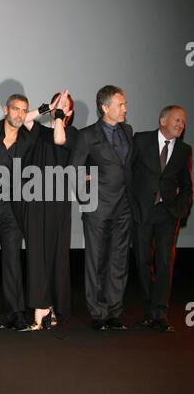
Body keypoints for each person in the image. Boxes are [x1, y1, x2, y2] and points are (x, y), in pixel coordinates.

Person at [70, 85, 133, 331]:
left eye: (125, 104)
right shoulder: (87, 135)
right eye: (120, 104)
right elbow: (75, 171)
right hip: (98, 208)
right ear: (105, 107)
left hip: (124, 207)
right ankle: (98, 313)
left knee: (119, 260)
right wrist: (88, 201)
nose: (125, 108)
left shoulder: (127, 130)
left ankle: (114, 311)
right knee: (96, 260)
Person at [132, 105, 192, 332]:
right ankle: (148, 310)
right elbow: (129, 172)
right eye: (177, 120)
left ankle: (160, 312)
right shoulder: (141, 140)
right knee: (143, 261)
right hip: (142, 212)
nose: (181, 125)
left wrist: (181, 209)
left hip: (168, 214)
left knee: (165, 262)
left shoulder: (184, 150)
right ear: (162, 121)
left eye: (184, 122)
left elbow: (187, 185)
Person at [0, 94, 35, 331]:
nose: (19, 114)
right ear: (5, 109)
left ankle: (16, 313)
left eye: (24, 110)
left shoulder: (29, 140)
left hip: (13, 207)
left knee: (13, 259)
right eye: (15, 109)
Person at [23, 91, 78, 329]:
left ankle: (55, 306)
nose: (60, 109)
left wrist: (58, 117)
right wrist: (48, 107)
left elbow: (59, 139)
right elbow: (23, 119)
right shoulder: (39, 132)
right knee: (36, 254)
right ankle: (40, 306)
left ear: (71, 113)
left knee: (57, 253)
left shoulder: (74, 134)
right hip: (35, 201)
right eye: (59, 105)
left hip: (58, 203)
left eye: (65, 107)